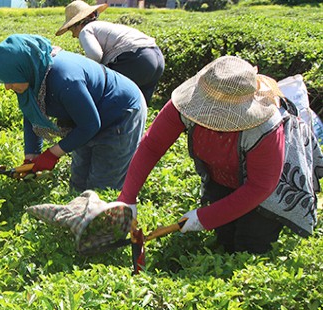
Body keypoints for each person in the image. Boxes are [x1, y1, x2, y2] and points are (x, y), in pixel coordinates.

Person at [118, 56, 323, 254]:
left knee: (250, 244)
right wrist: (127, 198)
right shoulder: (186, 104)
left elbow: (260, 187)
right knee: (225, 239)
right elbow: (152, 146)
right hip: (224, 172)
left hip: (271, 185)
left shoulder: (266, 128)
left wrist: (204, 217)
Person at [0, 34, 146, 191]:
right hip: (85, 117)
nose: (7, 87)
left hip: (120, 112)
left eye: (11, 81)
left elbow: (90, 125)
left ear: (25, 69)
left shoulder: (65, 79)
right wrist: (32, 156)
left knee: (102, 185)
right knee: (79, 180)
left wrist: (52, 154)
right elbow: (31, 115)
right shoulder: (31, 76)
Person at [55, 0, 164, 104]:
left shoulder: (86, 30)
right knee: (139, 106)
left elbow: (95, 56)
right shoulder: (104, 26)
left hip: (136, 60)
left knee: (109, 98)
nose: (74, 35)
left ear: (78, 23)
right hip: (157, 56)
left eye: (71, 29)